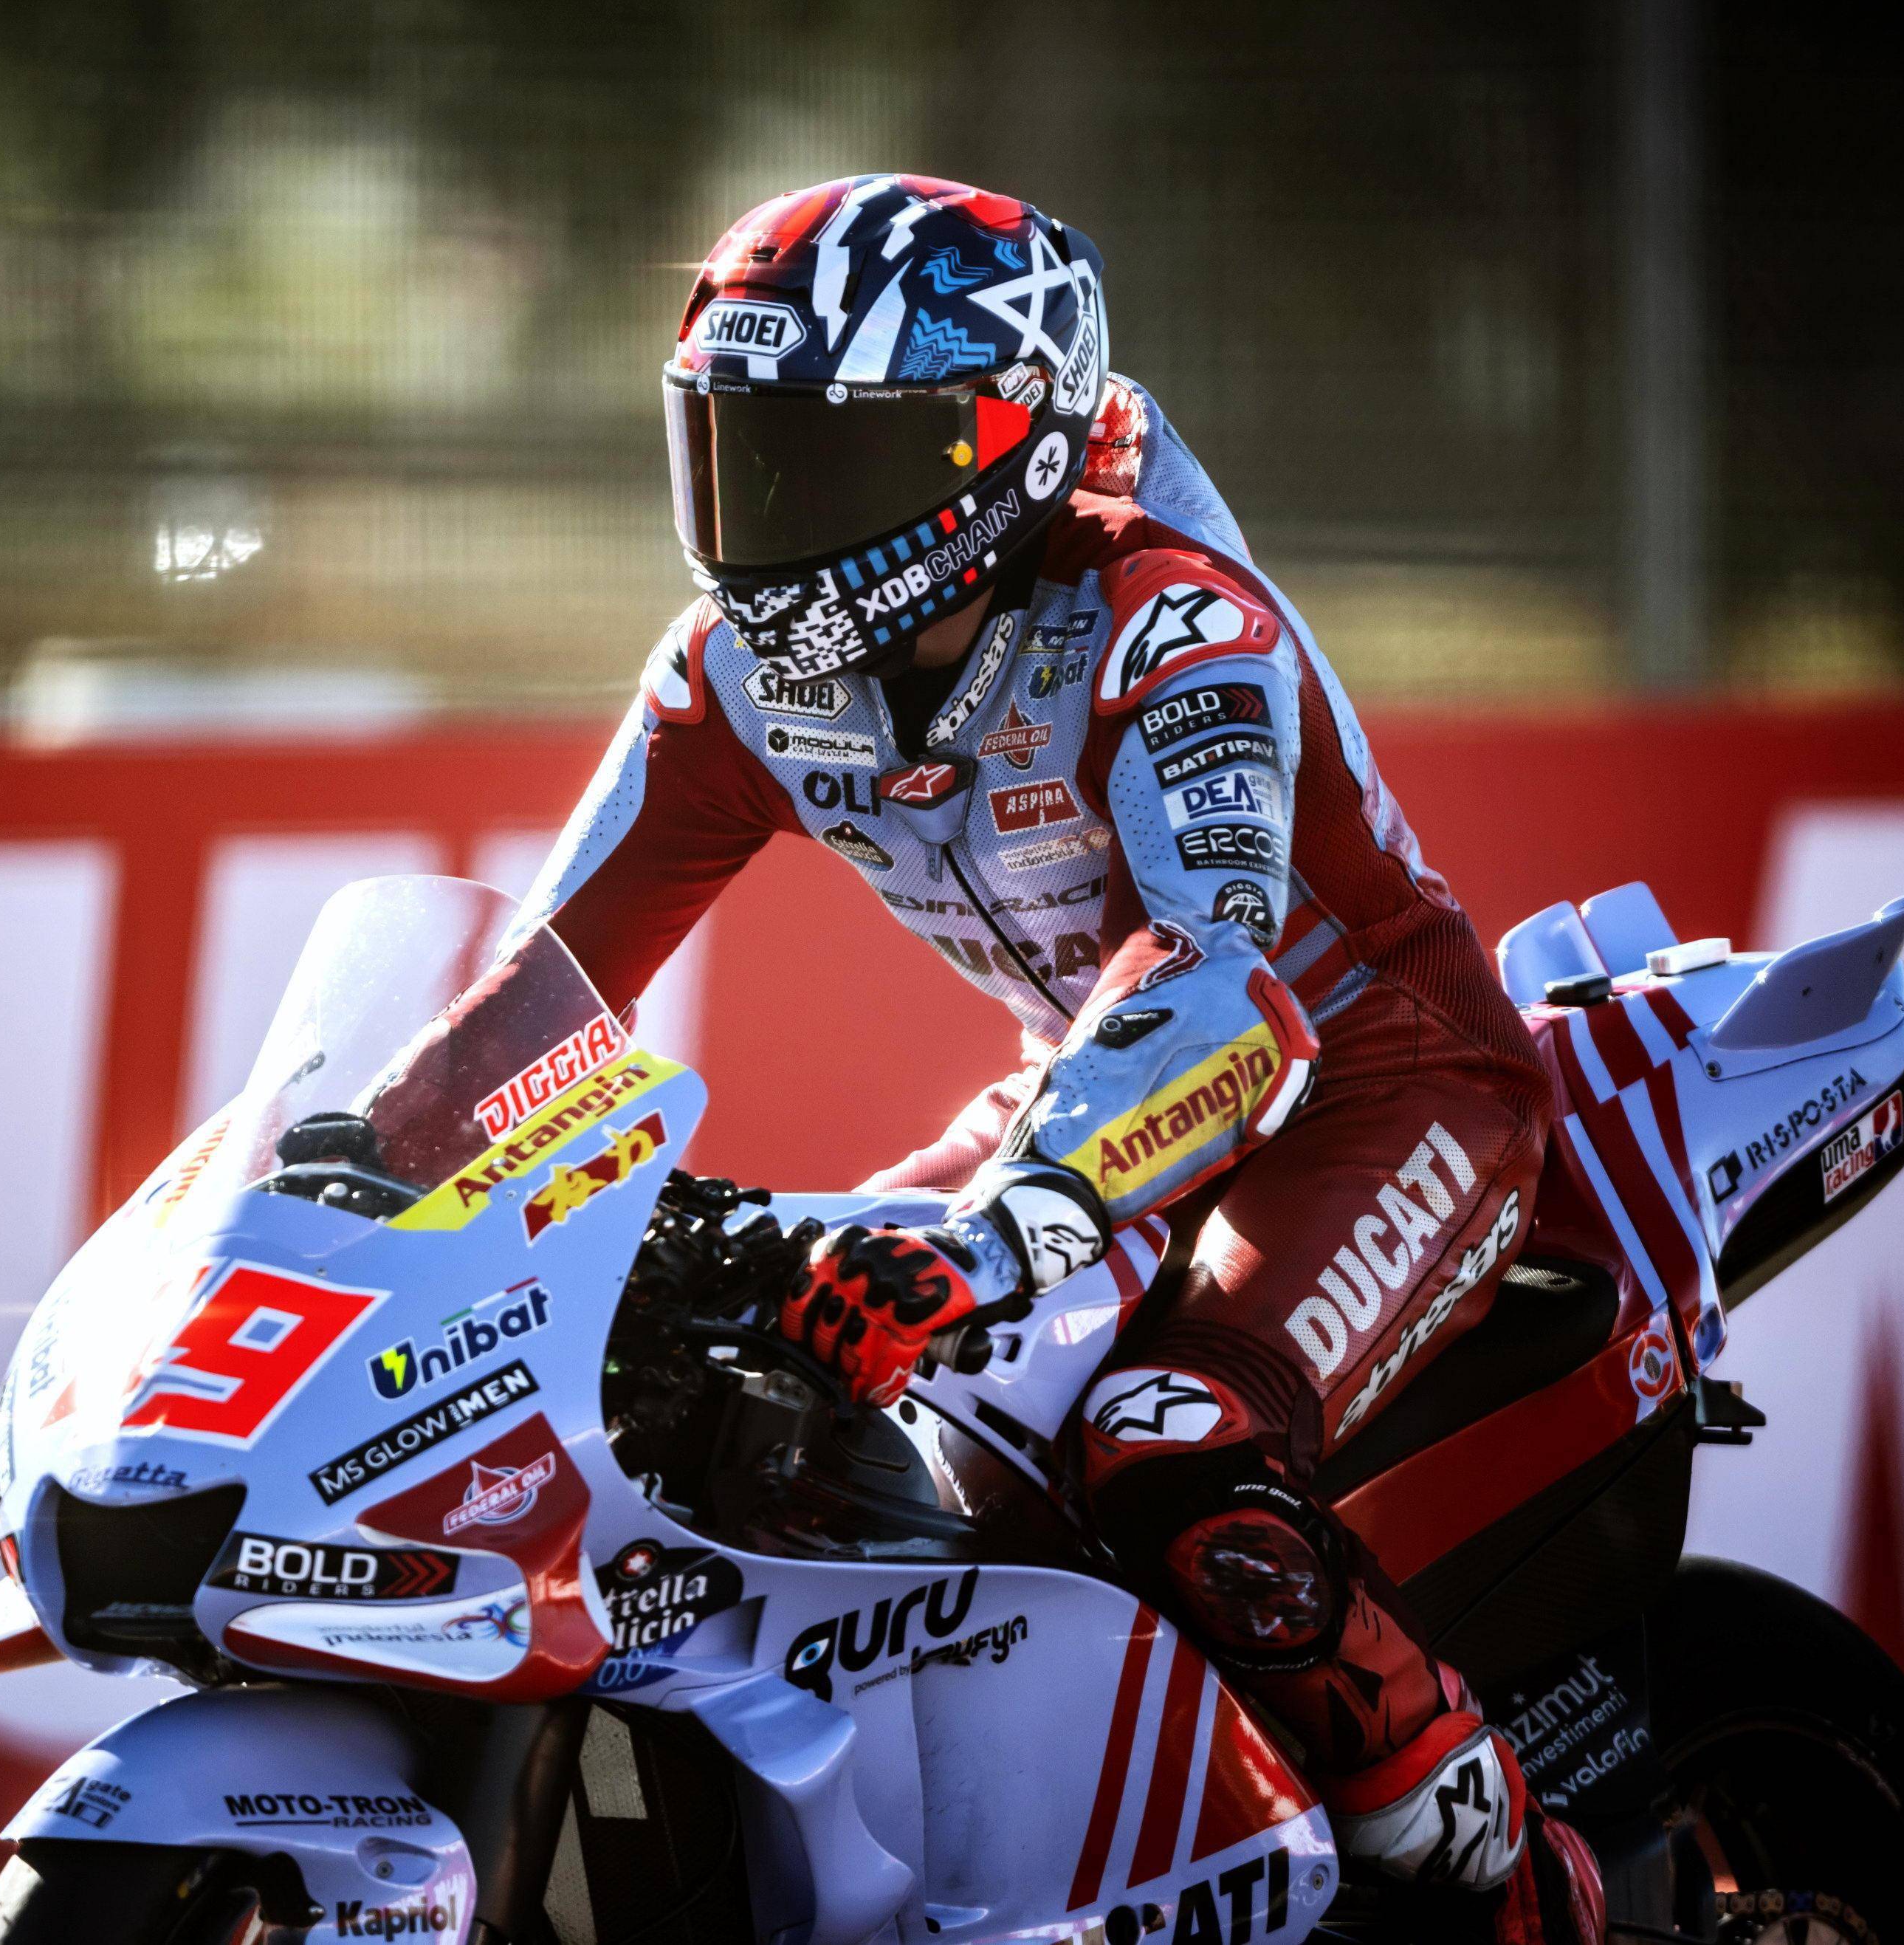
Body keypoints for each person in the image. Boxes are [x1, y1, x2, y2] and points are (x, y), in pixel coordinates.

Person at [509, 174, 1604, 1944]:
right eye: (736, 450)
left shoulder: (1171, 622)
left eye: (828, 457)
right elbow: (539, 990)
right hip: (1090, 1091)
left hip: (1377, 1082)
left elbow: (1222, 989)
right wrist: (354, 1165)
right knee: (768, 1397)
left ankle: (1512, 1882)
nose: (766, 512)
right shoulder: (726, 676)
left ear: (998, 444)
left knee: (1164, 1442)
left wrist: (1003, 1231)